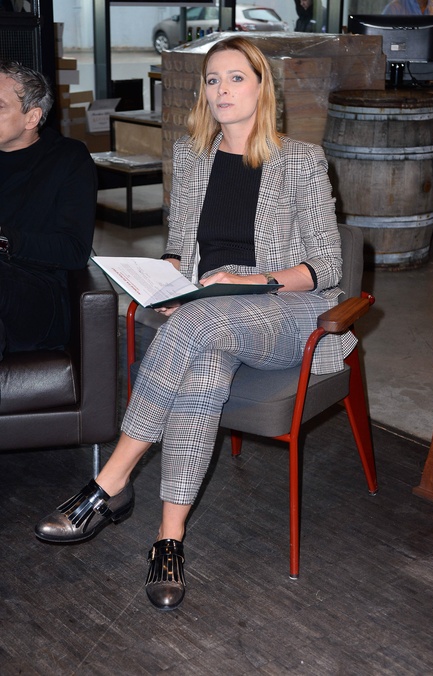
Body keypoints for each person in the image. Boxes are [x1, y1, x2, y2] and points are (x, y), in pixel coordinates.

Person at [35, 36, 357, 612]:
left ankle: (110, 481)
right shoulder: (192, 157)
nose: (222, 90)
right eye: (212, 80)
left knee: (199, 321)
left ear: (262, 88)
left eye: (236, 78)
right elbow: (181, 245)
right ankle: (169, 539)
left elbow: (327, 268)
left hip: (286, 311)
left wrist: (246, 282)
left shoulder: (301, 160)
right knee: (202, 367)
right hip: (209, 315)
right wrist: (166, 278)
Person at [0, 61, 97, 361]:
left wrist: (4, 239)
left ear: (32, 117)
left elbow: (74, 251)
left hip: (39, 296)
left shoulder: (68, 159)